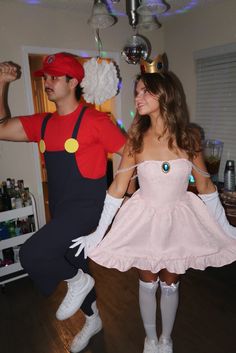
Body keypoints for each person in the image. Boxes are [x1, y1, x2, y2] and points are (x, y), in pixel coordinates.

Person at [70, 58, 236, 353]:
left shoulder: (190, 138)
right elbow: (117, 188)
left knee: (170, 282)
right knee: (147, 281)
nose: (137, 97)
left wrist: (228, 231)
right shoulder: (135, 140)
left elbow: (206, 188)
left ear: (165, 94)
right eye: (136, 92)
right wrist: (98, 232)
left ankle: (166, 339)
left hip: (179, 220)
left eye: (145, 91)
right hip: (144, 219)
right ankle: (150, 338)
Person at [0, 52, 127, 353]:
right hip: (61, 211)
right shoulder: (43, 124)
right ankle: (92, 318)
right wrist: (2, 83)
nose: (47, 82)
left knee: (31, 255)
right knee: (76, 264)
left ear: (73, 82)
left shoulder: (96, 120)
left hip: (88, 209)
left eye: (55, 77)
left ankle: (78, 281)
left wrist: (120, 200)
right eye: (45, 77)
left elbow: (131, 153)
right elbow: (1, 126)